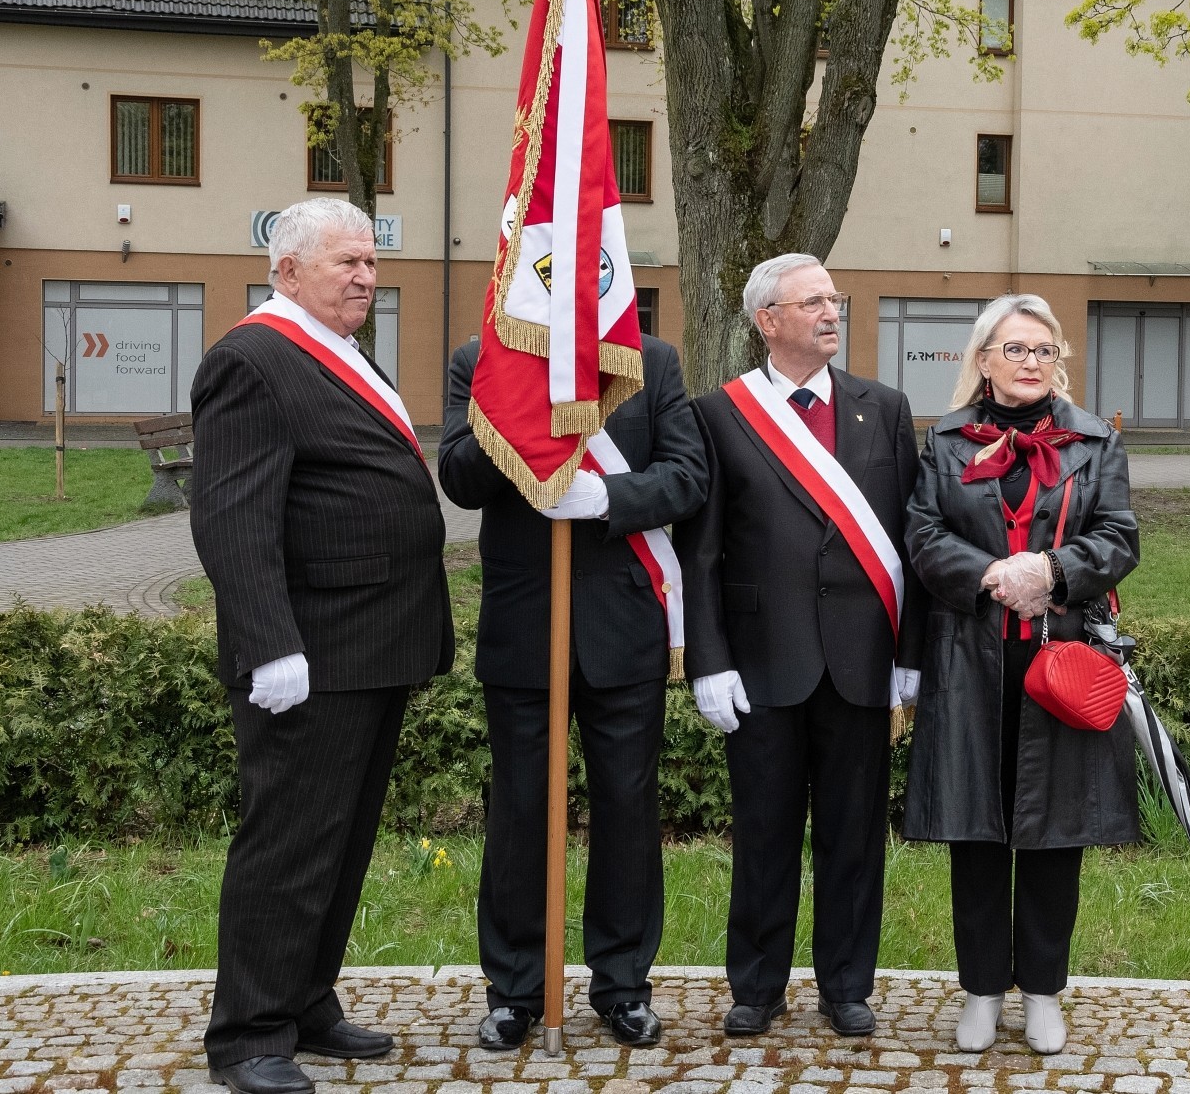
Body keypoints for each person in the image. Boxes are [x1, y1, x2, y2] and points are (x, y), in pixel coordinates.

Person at [190, 199, 454, 1094]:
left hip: (372, 643)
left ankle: (304, 1000)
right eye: (347, 262)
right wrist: (270, 643)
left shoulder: (338, 350)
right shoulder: (252, 359)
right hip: (310, 652)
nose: (366, 277)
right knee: (290, 844)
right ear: (288, 270)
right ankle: (248, 1033)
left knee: (338, 843)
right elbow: (232, 517)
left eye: (371, 263)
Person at [677, 254, 925, 1039]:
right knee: (764, 831)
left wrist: (911, 652)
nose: (830, 312)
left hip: (862, 657)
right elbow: (701, 551)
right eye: (811, 301)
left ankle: (847, 984)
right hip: (761, 661)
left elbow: (912, 541)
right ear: (767, 320)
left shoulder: (884, 409)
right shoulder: (720, 415)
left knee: (854, 833)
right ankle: (757, 986)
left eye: (833, 299)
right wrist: (708, 660)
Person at [437, 333, 706, 1052]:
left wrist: (608, 496)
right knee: (520, 809)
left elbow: (687, 476)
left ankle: (623, 984)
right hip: (525, 625)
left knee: (627, 807)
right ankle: (516, 988)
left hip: (626, 623)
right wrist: (518, 409)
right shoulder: (482, 359)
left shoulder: (649, 360)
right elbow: (458, 477)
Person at [902, 294, 1140, 1057]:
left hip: (1059, 662)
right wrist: (993, 573)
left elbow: (1119, 536)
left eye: (1044, 349)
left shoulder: (1094, 441)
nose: (1032, 361)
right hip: (970, 661)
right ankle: (979, 990)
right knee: (977, 828)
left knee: (1052, 830)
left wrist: (1052, 569)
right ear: (984, 360)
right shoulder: (944, 441)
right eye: (1015, 348)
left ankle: (1041, 990)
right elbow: (922, 533)